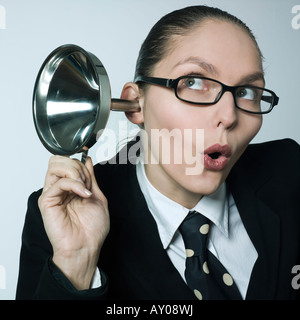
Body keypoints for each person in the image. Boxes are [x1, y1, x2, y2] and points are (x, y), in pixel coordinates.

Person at [16, 5, 300, 300]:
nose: (228, 116)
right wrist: (76, 264)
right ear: (136, 104)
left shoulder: (289, 171)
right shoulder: (60, 214)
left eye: (247, 92)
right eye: (193, 82)